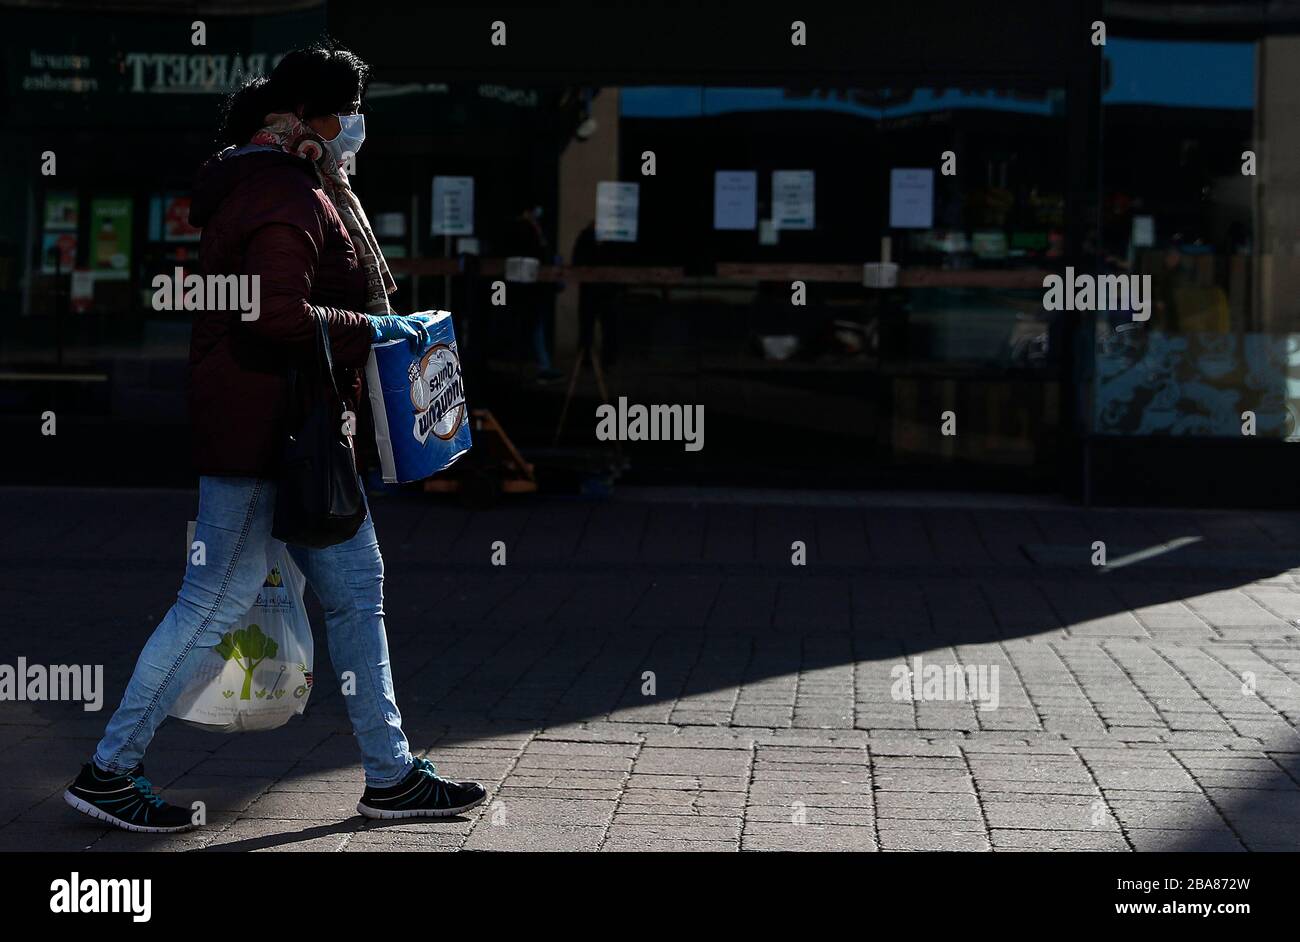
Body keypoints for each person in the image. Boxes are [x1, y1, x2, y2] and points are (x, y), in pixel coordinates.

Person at [64, 42, 486, 832]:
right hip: (265, 431)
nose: (356, 127)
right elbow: (273, 313)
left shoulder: (282, 185)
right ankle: (109, 771)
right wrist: (379, 330)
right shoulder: (282, 194)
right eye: (347, 112)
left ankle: (391, 774)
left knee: (358, 590)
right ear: (308, 120)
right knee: (215, 597)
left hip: (298, 431)